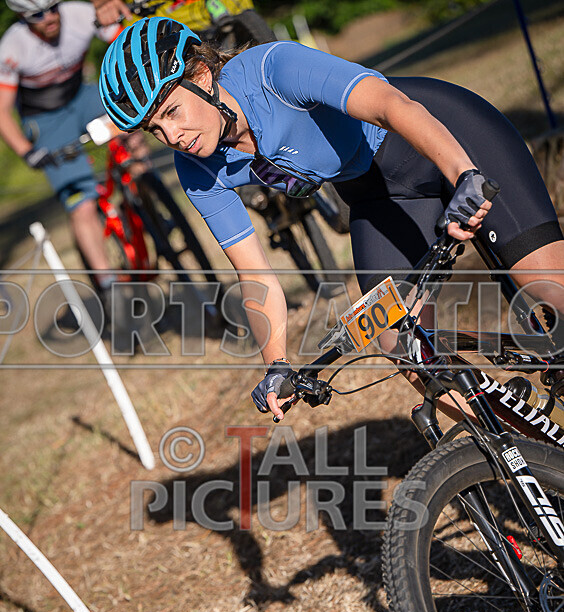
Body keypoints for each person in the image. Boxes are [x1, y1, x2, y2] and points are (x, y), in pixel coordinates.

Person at [99, 18, 564, 418]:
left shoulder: (272, 69)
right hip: (377, 198)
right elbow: (254, 273)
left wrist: (465, 175)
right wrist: (275, 363)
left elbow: (391, 106)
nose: (173, 135)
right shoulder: (197, 168)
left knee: (550, 297)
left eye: (172, 112)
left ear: (201, 75)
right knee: (399, 343)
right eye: (155, 129)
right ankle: (519, 455)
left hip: (450, 138)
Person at [0, 0, 121, 310]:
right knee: (81, 204)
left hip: (82, 94)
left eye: (53, 7)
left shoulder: (80, 14)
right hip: (46, 119)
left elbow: (123, 40)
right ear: (22, 17)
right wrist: (27, 152)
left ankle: (143, 182)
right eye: (38, 14)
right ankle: (110, 288)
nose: (50, 17)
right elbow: (2, 111)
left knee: (131, 120)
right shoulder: (12, 46)